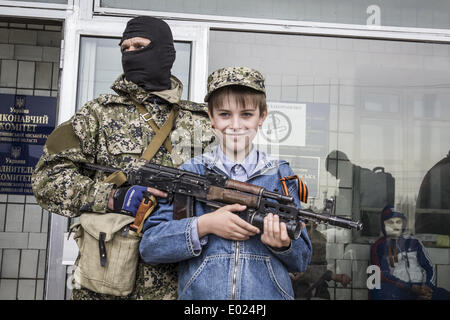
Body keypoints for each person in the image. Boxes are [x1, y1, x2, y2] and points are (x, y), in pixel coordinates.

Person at [31, 16, 215, 300]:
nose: (130, 54)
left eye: (139, 46)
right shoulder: (97, 114)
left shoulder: (202, 122)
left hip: (182, 286)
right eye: (124, 48)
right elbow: (47, 180)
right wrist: (112, 197)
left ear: (166, 52)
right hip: (107, 285)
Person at [139, 66, 312, 299]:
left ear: (262, 117)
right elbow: (150, 247)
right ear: (211, 118)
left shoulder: (281, 175)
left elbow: (302, 260)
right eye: (225, 114)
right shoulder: (190, 172)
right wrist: (204, 225)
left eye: (247, 114)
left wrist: (283, 245)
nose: (236, 125)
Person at [370, 206, 450, 300]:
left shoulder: (415, 242)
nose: (395, 226)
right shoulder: (379, 246)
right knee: (379, 292)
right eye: (390, 222)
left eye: (398, 222)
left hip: (420, 287)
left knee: (444, 295)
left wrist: (428, 287)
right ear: (383, 224)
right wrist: (409, 287)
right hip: (397, 289)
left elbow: (429, 267)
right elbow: (382, 275)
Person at [290, 222, 351, 299]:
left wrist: (335, 276)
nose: (307, 231)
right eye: (306, 228)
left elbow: (319, 266)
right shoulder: (291, 237)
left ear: (315, 226)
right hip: (297, 286)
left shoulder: (319, 239)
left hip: (315, 284)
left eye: (309, 227)